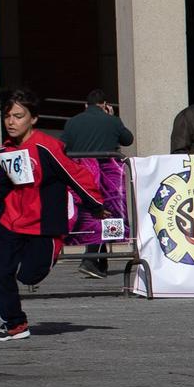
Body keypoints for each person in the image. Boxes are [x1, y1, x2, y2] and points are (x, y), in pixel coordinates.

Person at [0, 88, 105, 342]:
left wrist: (95, 204)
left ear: (33, 119)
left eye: (18, 116)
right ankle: (15, 324)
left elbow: (75, 174)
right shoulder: (6, 152)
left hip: (43, 226)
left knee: (29, 275)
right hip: (11, 223)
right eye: (8, 117)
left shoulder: (46, 147)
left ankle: (51, 251)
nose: (11, 122)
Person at [60, 89, 134, 280]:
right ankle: (92, 259)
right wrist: (113, 118)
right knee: (108, 216)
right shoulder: (112, 121)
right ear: (104, 104)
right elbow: (128, 139)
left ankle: (98, 262)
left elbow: (63, 146)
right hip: (107, 175)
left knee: (88, 215)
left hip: (81, 174)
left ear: (86, 105)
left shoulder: (73, 122)